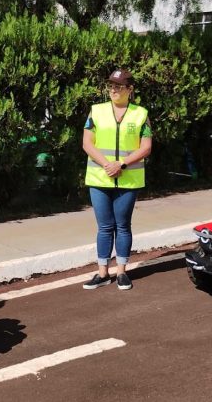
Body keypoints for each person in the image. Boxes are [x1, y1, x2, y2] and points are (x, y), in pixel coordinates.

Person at [82, 69, 152, 291]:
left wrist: (121, 164)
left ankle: (121, 272)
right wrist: (107, 164)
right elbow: (87, 143)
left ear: (130, 90)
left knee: (122, 226)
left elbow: (146, 147)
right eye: (110, 86)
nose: (113, 90)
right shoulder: (96, 112)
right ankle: (102, 272)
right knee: (104, 227)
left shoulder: (141, 114)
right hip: (99, 178)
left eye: (119, 86)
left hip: (127, 180)